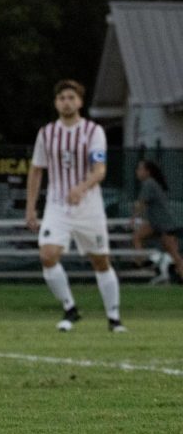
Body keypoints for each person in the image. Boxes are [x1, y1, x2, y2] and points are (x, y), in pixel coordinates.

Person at [25, 80, 126, 332]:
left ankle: (114, 318)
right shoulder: (46, 134)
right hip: (57, 205)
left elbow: (99, 169)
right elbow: (36, 170)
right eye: (61, 98)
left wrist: (81, 188)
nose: (66, 102)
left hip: (88, 206)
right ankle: (70, 308)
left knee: (100, 260)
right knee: (47, 255)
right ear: (56, 102)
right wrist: (30, 207)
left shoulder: (93, 132)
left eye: (71, 97)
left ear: (80, 102)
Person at [130, 159, 182, 285]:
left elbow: (141, 203)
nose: (137, 172)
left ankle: (180, 274)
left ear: (147, 172)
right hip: (155, 224)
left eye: (140, 169)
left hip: (165, 225)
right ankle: (141, 262)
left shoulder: (149, 183)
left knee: (175, 255)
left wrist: (133, 218)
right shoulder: (151, 183)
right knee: (137, 237)